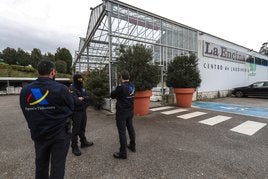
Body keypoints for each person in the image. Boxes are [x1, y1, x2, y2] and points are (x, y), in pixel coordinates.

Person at [19, 60, 74, 179]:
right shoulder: (61, 89)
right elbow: (71, 107)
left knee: (41, 165)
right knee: (57, 166)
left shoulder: (25, 90)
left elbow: (25, 110)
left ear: (38, 71)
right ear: (53, 72)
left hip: (38, 134)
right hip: (59, 135)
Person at [111, 70, 136, 159]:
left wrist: (116, 90)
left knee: (122, 132)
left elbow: (112, 95)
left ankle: (123, 153)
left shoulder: (120, 87)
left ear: (121, 77)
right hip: (130, 111)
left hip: (122, 113)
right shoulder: (132, 86)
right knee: (130, 128)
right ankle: (132, 146)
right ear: (128, 77)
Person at [69, 74, 93, 156]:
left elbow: (88, 97)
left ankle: (83, 142)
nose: (81, 81)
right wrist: (83, 99)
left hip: (83, 111)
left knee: (82, 127)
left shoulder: (82, 87)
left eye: (81, 79)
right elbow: (76, 101)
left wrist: (82, 98)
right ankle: (74, 146)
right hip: (76, 112)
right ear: (76, 80)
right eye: (79, 79)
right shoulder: (72, 88)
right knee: (76, 129)